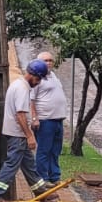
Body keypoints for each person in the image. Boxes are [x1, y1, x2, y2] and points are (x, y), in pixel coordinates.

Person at [0, 62, 51, 202]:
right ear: (33, 75)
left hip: (16, 133)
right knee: (11, 164)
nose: (38, 83)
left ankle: (41, 192)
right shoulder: (22, 88)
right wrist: (29, 135)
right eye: (39, 79)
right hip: (18, 134)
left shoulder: (18, 84)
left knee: (29, 164)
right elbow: (20, 115)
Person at [28, 54, 69, 184]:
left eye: (51, 60)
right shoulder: (37, 78)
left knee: (55, 151)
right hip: (45, 120)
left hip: (58, 120)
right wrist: (34, 118)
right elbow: (31, 100)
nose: (49, 63)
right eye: (45, 60)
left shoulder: (53, 76)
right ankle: (43, 178)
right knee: (44, 150)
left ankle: (55, 177)